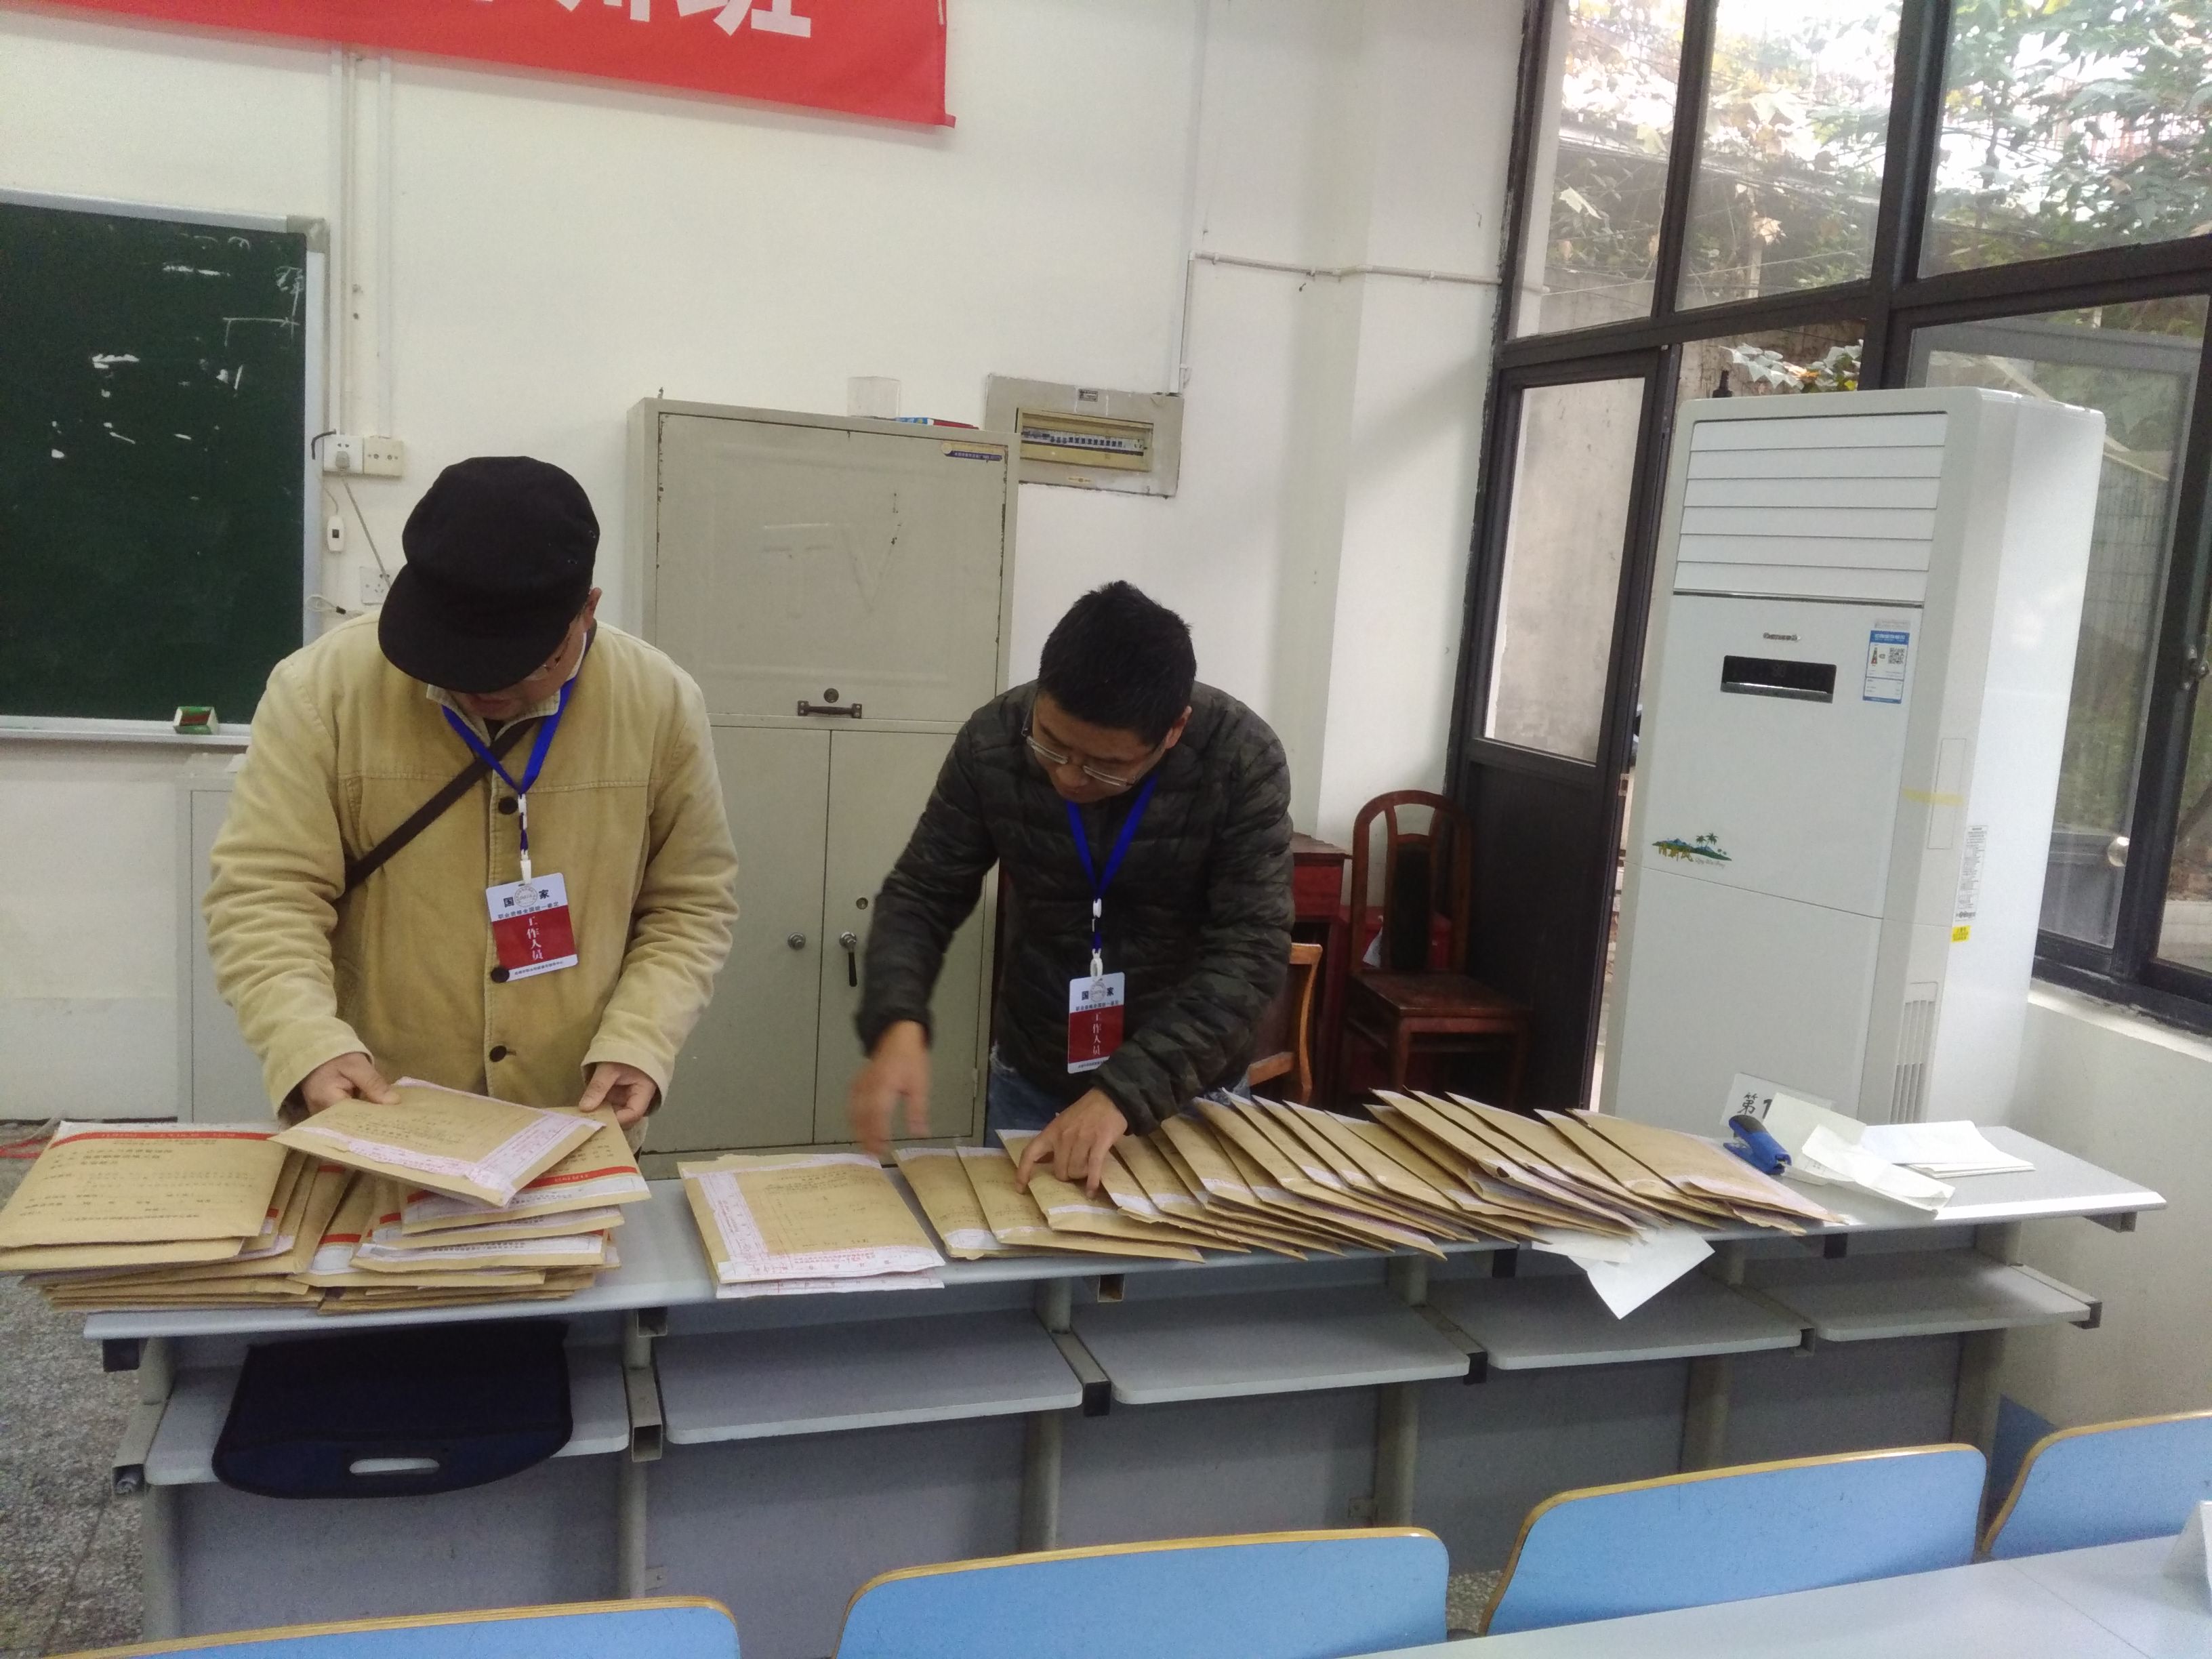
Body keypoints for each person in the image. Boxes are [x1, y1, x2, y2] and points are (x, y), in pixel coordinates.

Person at [203, 455, 739, 1135]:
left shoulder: (660, 702)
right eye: (456, 658)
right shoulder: (321, 691)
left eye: (522, 664)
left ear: (587, 611)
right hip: (378, 1117)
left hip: (570, 1118)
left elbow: (689, 903)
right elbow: (265, 895)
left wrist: (643, 1038)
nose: (486, 687)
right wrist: (306, 1043)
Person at [850, 580, 1292, 1192]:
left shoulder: (1240, 759)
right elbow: (924, 890)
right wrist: (897, 1016)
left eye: (1106, 765)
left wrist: (1122, 1093)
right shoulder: (994, 740)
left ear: (1174, 730)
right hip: (1036, 1076)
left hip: (1191, 1089)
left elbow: (1250, 952)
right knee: (1022, 1243)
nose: (1068, 777)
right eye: (1051, 745)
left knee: (1184, 1253)